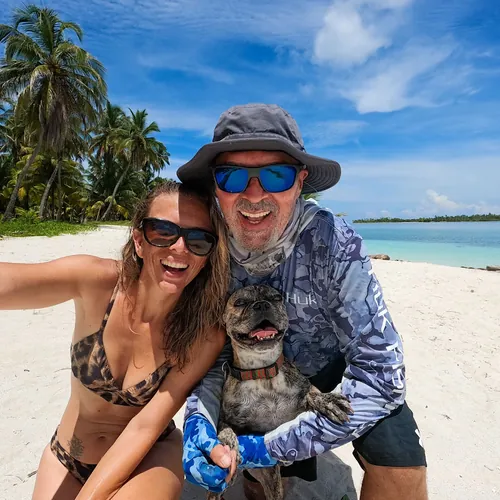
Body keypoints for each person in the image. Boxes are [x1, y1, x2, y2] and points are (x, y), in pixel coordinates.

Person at [177, 104, 428, 500]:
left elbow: (381, 374)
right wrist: (199, 420)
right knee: (260, 487)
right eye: (232, 176)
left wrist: (271, 447)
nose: (254, 194)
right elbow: (207, 355)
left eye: (276, 175)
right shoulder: (204, 247)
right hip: (241, 382)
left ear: (300, 182)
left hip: (328, 373)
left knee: (401, 468)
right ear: (215, 186)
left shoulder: (334, 243)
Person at [0, 180, 232, 500]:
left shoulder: (203, 334)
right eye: (162, 231)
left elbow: (145, 426)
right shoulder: (98, 282)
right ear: (139, 241)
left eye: (198, 240)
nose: (180, 247)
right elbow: (11, 283)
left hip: (148, 458)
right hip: (66, 456)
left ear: (207, 256)